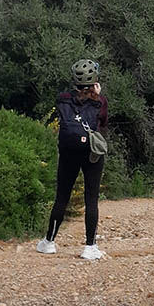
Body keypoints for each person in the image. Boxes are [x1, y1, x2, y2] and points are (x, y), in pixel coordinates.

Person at [36, 59, 109, 261]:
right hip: (92, 153)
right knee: (91, 197)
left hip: (68, 152)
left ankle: (48, 242)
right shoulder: (100, 102)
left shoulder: (62, 99)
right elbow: (103, 122)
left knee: (62, 196)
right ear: (94, 80)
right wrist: (98, 94)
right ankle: (90, 246)